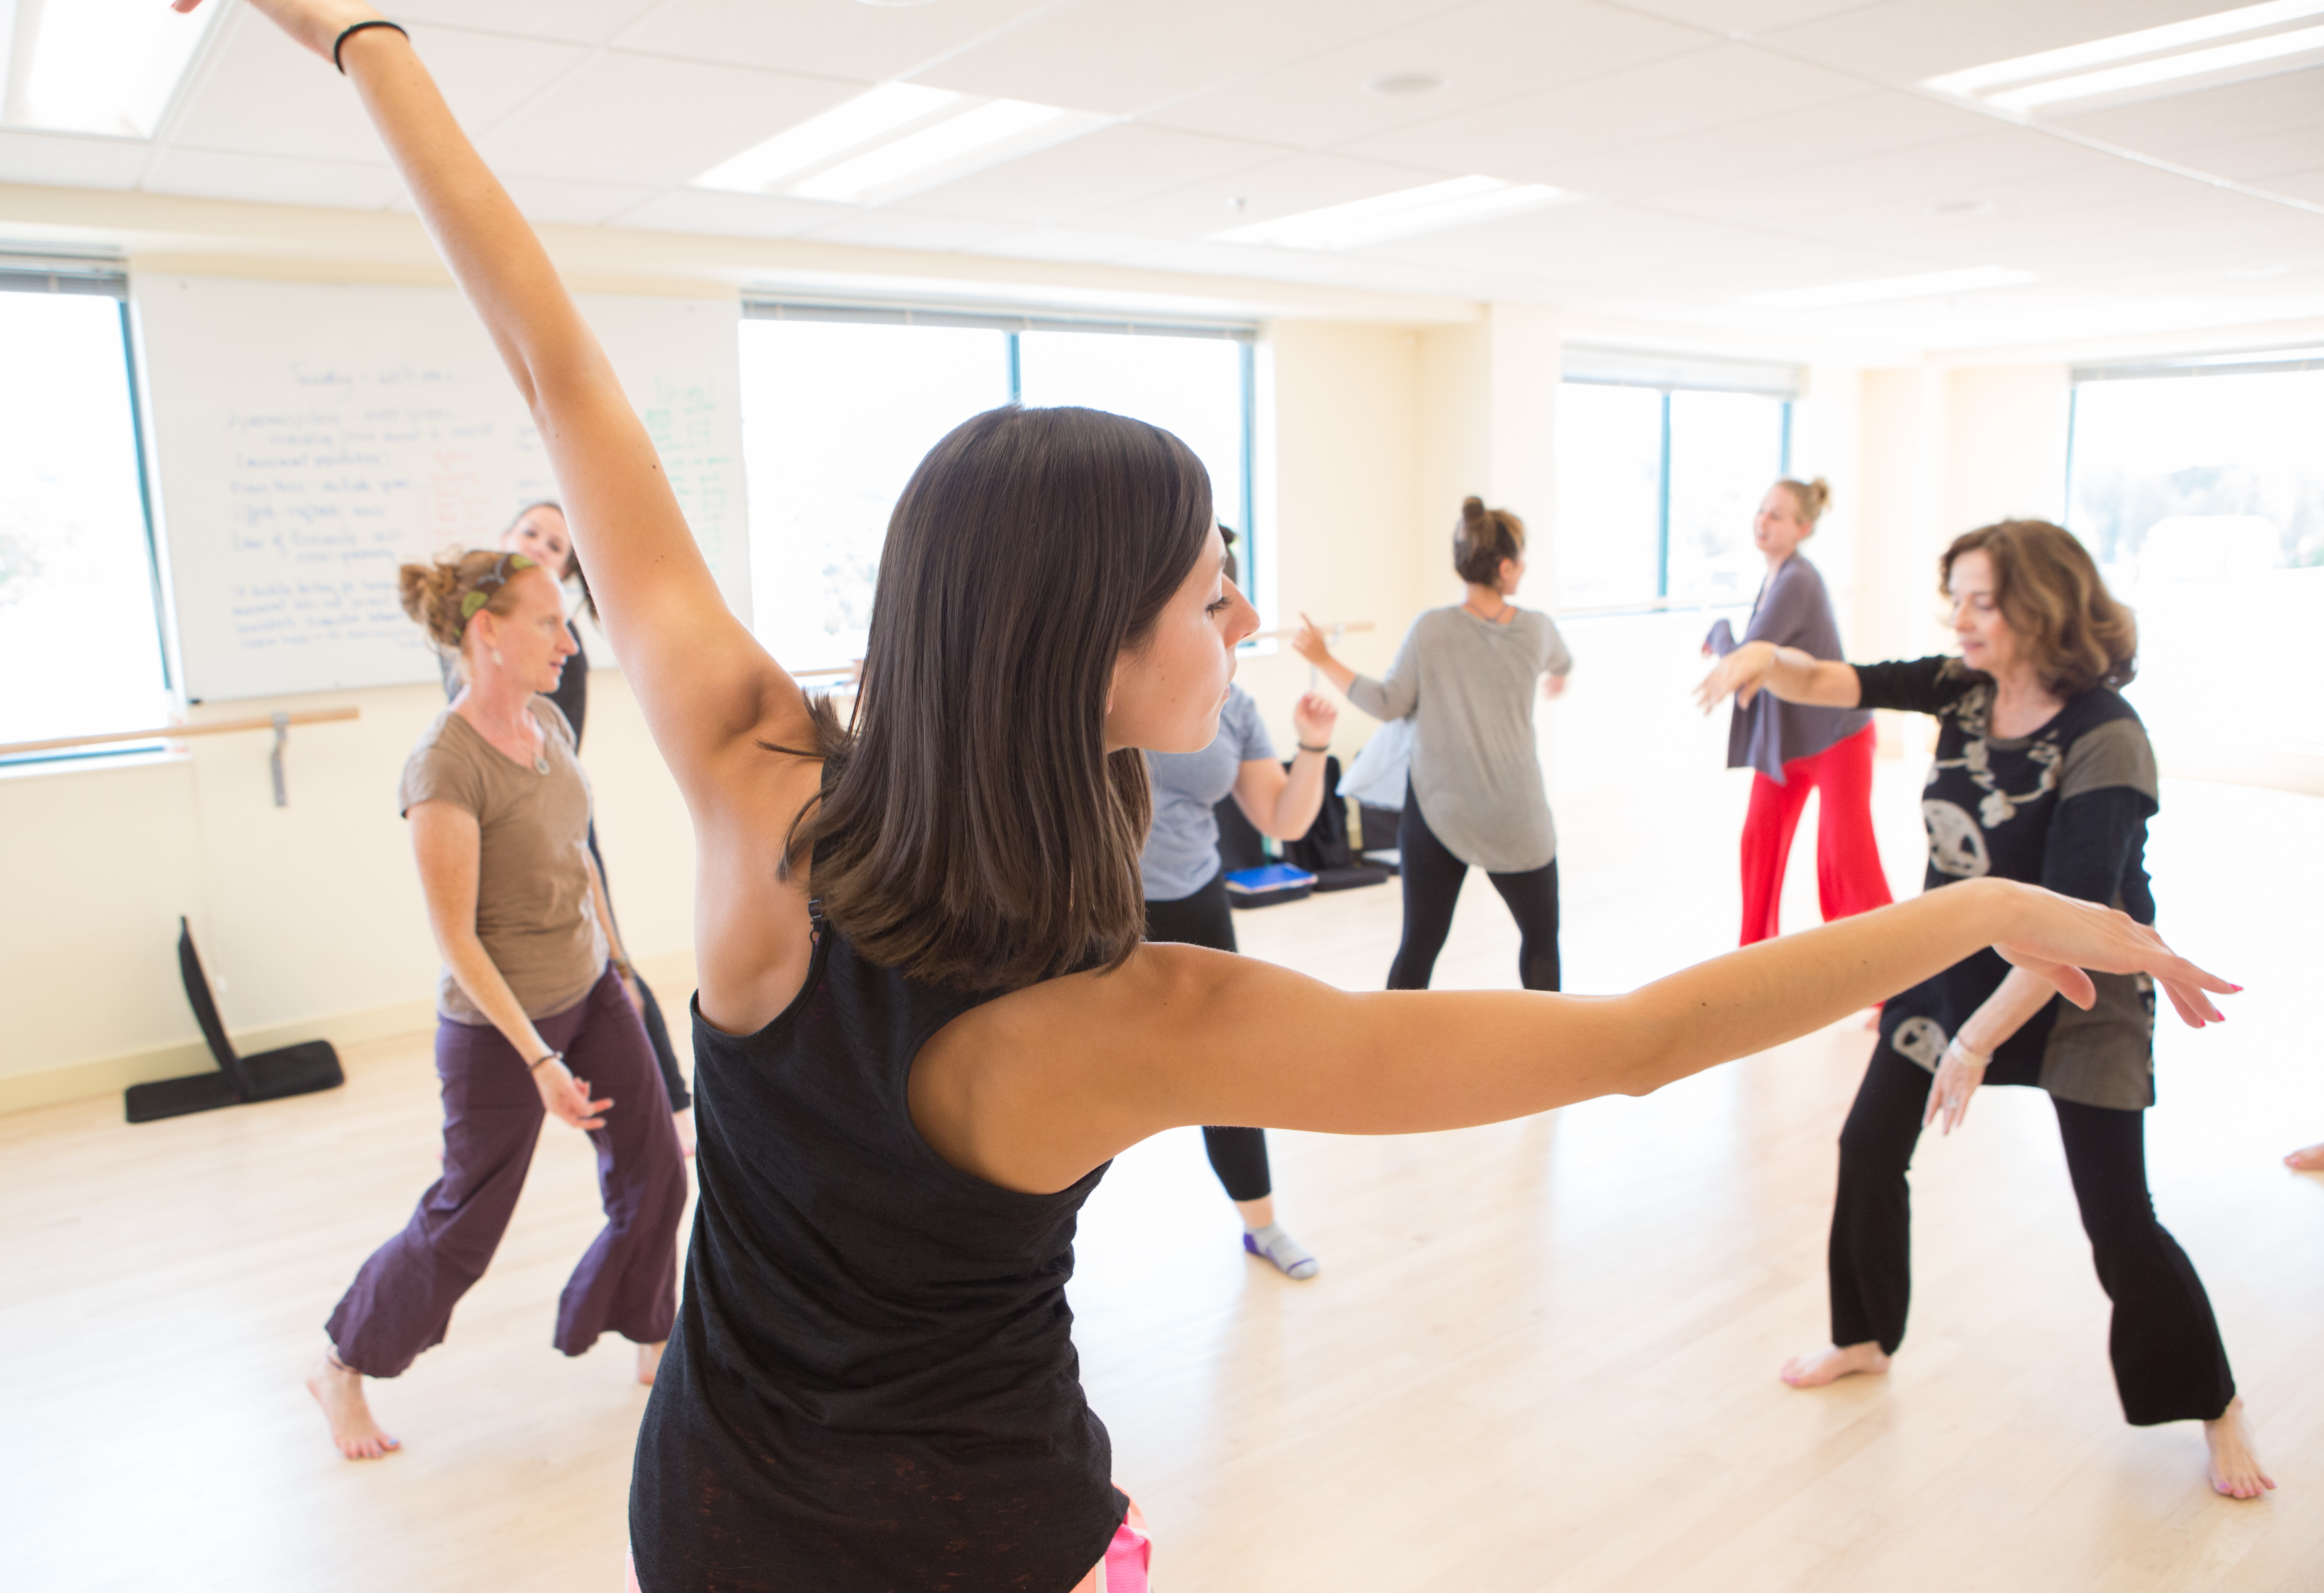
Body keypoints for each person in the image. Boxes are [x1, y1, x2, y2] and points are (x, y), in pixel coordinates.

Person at [210, 6, 2236, 1582]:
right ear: (1096, 652)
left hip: (712, 1515)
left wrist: (354, 37)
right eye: (1212, 586)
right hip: (971, 1544)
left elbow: (556, 362)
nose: (1242, 613)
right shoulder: (1143, 1022)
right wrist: (1988, 909)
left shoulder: (762, 789)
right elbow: (1644, 1039)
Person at [1697, 519, 2272, 1500]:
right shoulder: (1960, 688)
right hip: (1953, 964)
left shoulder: (2103, 737)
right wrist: (1767, 657)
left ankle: (2213, 1403)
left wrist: (1972, 1042)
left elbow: (2073, 927)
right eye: (1950, 597)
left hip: (2083, 987)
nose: (1957, 619)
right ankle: (1864, 1334)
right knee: (1868, 1145)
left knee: (2117, 1219)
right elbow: (1837, 681)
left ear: (2039, 606)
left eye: (1979, 600)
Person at [304, 546, 687, 1461]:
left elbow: (577, 854)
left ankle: (652, 1342)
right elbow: (458, 941)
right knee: (464, 1224)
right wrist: (541, 1061)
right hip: (497, 1028)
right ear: (488, 631)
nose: (568, 638)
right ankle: (341, 1362)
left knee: (657, 1173)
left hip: (591, 988)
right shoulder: (444, 766)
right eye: (549, 621)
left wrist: (621, 964)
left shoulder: (549, 724)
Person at [1142, 529, 1338, 1280]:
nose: (1240, 615)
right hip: (1094, 914)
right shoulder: (1095, 684)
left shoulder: (1237, 706)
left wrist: (1313, 747)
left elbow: (1284, 822)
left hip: (1193, 902)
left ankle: (1262, 1225)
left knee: (1228, 1074)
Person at [1293, 498, 1571, 994]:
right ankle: (1550, 1057)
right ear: (1505, 567)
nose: (1524, 569)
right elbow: (1562, 661)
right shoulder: (1537, 630)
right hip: (1517, 814)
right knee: (1542, 942)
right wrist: (1557, 679)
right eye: (1522, 559)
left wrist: (1323, 657)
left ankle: (1388, 1058)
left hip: (1440, 811)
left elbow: (1387, 703)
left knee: (1419, 945)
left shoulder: (1432, 630)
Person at [497, 500, 697, 1155]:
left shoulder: (565, 656)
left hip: (558, 831)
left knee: (612, 961)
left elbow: (556, 760)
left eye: (554, 545)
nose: (536, 547)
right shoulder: (479, 646)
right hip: (499, 832)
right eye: (530, 532)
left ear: (567, 571)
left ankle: (670, 1100)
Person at [1702, 478, 1893, 944]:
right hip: (1787, 742)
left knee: (1846, 863)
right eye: (1762, 510)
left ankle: (1898, 990)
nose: (1763, 521)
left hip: (1838, 737)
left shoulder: (1798, 581)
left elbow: (1747, 660)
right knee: (1758, 848)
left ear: (1804, 528)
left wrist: (1719, 629)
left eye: (1778, 515)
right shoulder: (1775, 578)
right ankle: (1753, 967)